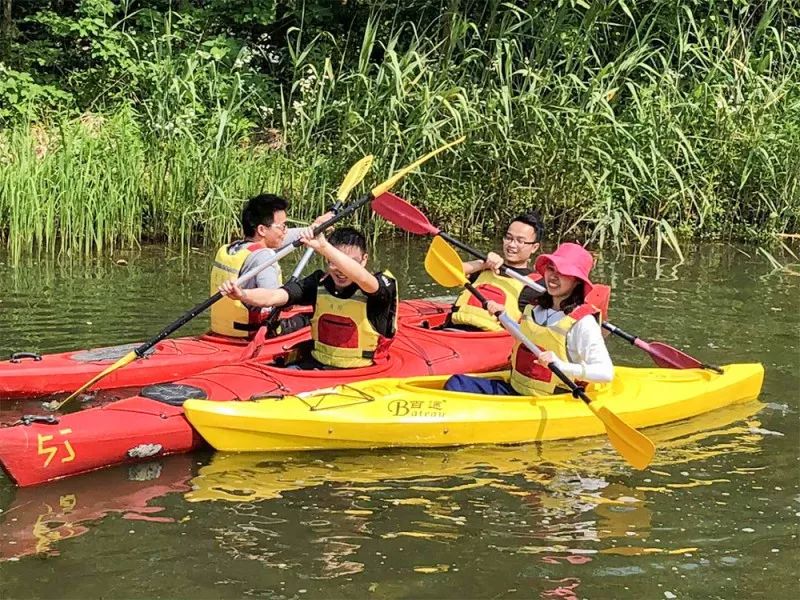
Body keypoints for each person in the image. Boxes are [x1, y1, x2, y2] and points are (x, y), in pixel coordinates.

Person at [444, 242, 613, 395]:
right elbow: (526, 337)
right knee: (456, 383)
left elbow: (606, 372)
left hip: (552, 399)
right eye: (551, 269)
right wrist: (503, 316)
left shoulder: (583, 322)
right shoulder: (535, 308)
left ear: (577, 281)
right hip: (517, 388)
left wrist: (561, 366)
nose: (553, 276)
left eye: (563, 273)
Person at [219, 226, 398, 369]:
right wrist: (243, 294)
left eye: (348, 262)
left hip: (363, 372)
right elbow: (275, 295)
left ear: (364, 260)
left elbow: (365, 280)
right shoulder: (319, 283)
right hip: (317, 365)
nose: (341, 270)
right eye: (333, 262)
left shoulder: (380, 287)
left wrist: (324, 248)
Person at [209, 193, 330, 338]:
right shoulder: (264, 257)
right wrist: (293, 296)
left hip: (223, 328)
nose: (285, 231)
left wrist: (315, 227)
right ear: (261, 230)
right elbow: (274, 299)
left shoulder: (234, 248)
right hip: (254, 334)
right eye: (283, 226)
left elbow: (288, 237)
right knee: (314, 315)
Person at [447, 211, 545, 331]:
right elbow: (448, 272)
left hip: (490, 339)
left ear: (534, 247)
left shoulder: (536, 284)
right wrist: (482, 263)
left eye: (520, 241)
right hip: (451, 331)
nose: (511, 245)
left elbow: (538, 328)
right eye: (508, 238)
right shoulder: (484, 267)